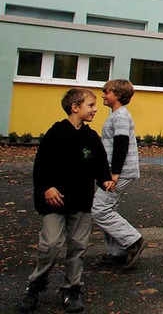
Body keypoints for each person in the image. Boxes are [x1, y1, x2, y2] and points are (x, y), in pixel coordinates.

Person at [18, 88, 115, 314]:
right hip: (55, 201)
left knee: (78, 246)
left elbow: (100, 164)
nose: (95, 109)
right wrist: (47, 188)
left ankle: (71, 289)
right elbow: (41, 165)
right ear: (75, 107)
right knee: (50, 245)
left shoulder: (91, 137)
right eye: (90, 105)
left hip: (81, 202)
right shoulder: (56, 133)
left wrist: (105, 181)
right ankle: (35, 285)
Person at [92, 79, 146, 269]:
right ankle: (117, 252)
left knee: (99, 209)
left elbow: (121, 144)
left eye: (106, 92)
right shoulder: (116, 115)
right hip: (114, 171)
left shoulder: (121, 116)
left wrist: (114, 173)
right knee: (108, 209)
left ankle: (133, 241)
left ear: (117, 94)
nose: (103, 95)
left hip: (120, 172)